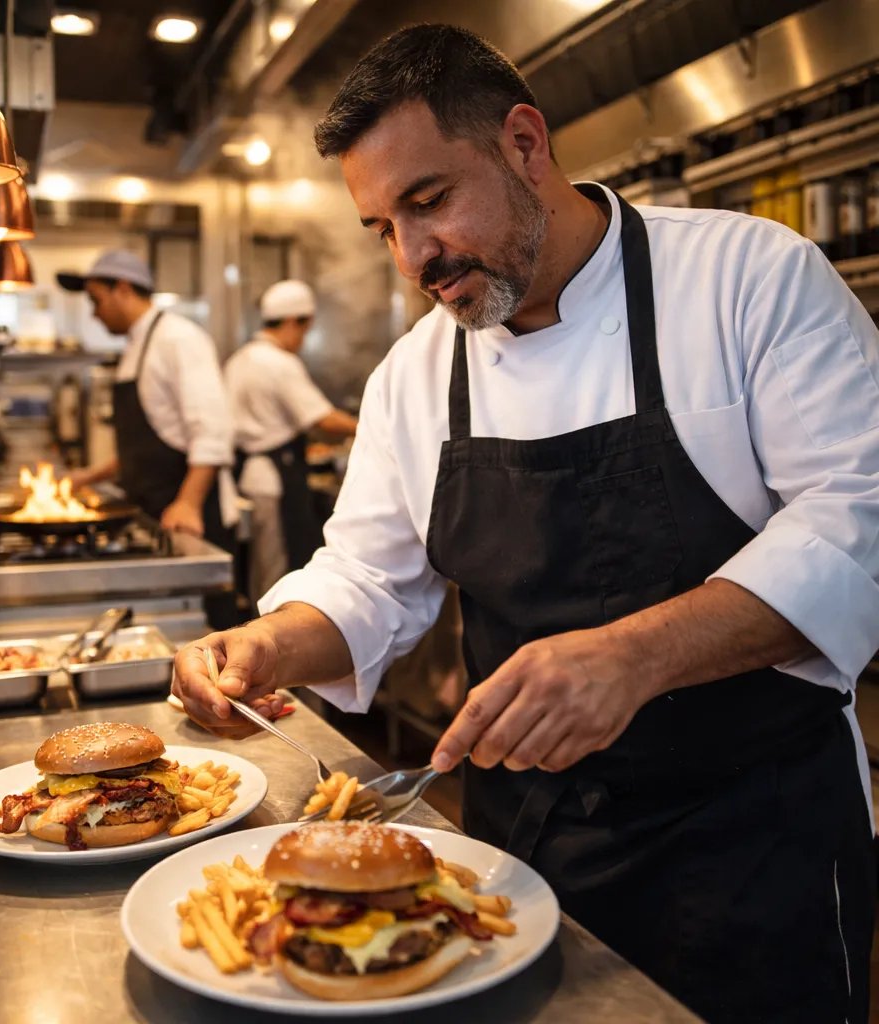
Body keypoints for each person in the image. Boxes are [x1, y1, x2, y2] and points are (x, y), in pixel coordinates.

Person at [172, 25, 879, 1024]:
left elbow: (858, 527)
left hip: (754, 841)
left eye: (427, 201)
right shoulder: (415, 376)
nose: (412, 256)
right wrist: (265, 643)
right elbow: (367, 580)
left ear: (523, 142)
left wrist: (633, 654)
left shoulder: (748, 280)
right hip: (523, 852)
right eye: (381, 227)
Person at [58, 249, 240, 628]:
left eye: (96, 300)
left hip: (191, 518)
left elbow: (212, 431)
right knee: (167, 628)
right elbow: (145, 446)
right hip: (153, 513)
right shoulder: (133, 349)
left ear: (123, 288)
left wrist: (188, 503)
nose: (94, 313)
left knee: (208, 632)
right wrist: (88, 477)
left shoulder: (179, 339)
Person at [225, 280, 358, 603]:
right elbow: (321, 419)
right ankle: (274, 640)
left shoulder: (240, 358)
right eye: (304, 329)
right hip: (274, 480)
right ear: (291, 322)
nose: (302, 339)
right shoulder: (279, 363)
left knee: (260, 565)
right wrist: (370, 424)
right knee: (278, 568)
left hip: (247, 475)